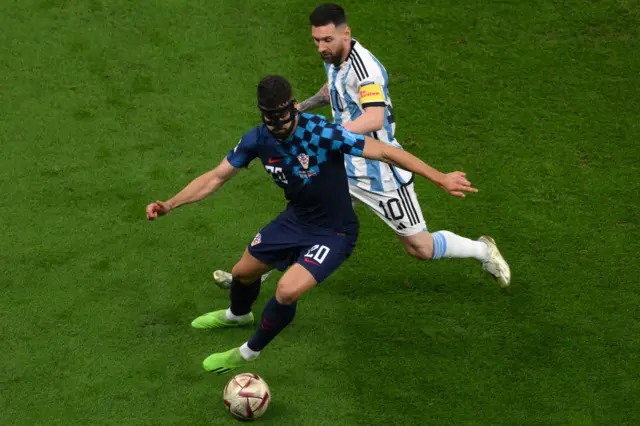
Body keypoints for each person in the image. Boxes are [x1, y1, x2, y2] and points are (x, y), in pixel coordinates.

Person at [146, 75, 478, 374]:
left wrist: (440, 178)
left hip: (335, 231)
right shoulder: (257, 140)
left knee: (286, 290)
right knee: (243, 272)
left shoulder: (321, 132)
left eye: (282, 115)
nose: (277, 123)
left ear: (292, 107)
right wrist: (170, 204)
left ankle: (247, 354)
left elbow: (387, 153)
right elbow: (217, 177)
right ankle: (238, 315)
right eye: (269, 117)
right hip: (296, 220)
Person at [213, 3, 510, 291]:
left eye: (327, 40)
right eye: (316, 40)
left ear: (346, 34)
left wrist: (326, 134)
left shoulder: (365, 70)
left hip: (379, 171)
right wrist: (300, 109)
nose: (320, 47)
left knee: (420, 247)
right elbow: (333, 91)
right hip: (343, 164)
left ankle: (482, 250)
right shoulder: (334, 56)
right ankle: (251, 275)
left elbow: (374, 117)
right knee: (305, 216)